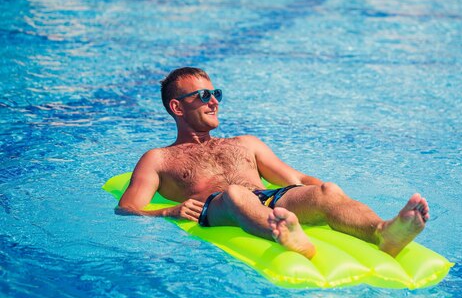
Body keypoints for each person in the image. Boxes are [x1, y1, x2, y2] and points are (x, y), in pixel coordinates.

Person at [117, 67, 430, 259]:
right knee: (236, 195)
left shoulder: (245, 143)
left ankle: (383, 232)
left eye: (216, 93)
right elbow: (127, 207)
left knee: (325, 190)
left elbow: (294, 177)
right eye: (202, 95)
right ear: (177, 107)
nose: (213, 101)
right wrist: (169, 211)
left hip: (267, 199)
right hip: (217, 207)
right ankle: (284, 234)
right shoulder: (158, 158)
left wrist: (333, 198)